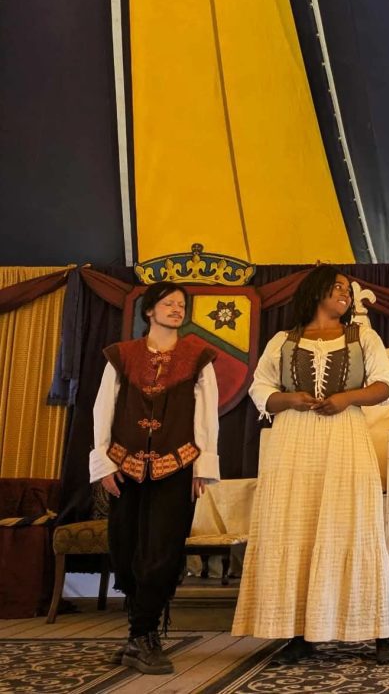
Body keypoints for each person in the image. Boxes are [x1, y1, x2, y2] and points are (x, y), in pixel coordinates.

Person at [232, 265, 389, 665]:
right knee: (296, 527)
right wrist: (289, 400)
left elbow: (385, 385)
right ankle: (300, 632)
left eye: (347, 289)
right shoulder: (282, 341)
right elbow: (260, 388)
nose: (345, 294)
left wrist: (347, 398)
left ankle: (379, 631)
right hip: (292, 443)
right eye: (337, 287)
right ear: (315, 292)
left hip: (344, 438)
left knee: (355, 527)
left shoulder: (364, 337)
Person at [90, 281, 220, 675]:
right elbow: (103, 408)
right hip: (124, 466)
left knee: (162, 551)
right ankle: (138, 634)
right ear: (150, 310)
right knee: (125, 549)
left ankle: (143, 634)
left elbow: (206, 415)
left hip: (176, 465)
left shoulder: (199, 356)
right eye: (169, 303)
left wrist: (203, 465)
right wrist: (103, 463)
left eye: (182, 305)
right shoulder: (123, 356)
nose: (177, 309)